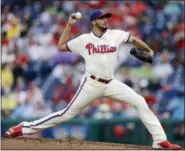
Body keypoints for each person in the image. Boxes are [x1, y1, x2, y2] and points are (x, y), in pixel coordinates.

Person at [5, 9, 181, 149]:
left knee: (140, 101)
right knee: (66, 114)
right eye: (102, 18)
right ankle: (24, 128)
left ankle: (159, 140)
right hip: (91, 83)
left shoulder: (115, 34)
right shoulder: (84, 39)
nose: (106, 20)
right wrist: (68, 25)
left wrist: (149, 50)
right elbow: (60, 46)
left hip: (111, 83)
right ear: (94, 21)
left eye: (106, 17)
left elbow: (133, 40)